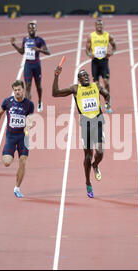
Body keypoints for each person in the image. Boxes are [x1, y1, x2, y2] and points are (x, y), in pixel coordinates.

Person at [52, 67, 112, 198]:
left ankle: (95, 165)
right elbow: (55, 93)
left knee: (100, 152)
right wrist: (56, 76)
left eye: (87, 75)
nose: (85, 77)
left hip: (98, 121)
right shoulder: (75, 89)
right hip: (86, 124)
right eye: (82, 76)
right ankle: (88, 182)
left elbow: (107, 94)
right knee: (88, 156)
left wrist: (107, 103)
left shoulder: (96, 86)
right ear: (79, 80)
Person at [0, 80, 36, 198]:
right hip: (11, 137)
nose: (17, 92)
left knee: (22, 162)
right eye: (15, 90)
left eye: (19, 90)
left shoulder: (29, 104)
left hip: (23, 137)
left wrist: (30, 125)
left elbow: (31, 120)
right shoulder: (8, 102)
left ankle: (17, 188)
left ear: (23, 90)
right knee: (6, 162)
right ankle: (11, 155)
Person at [10, 20, 50, 112]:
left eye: (33, 28)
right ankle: (28, 106)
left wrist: (38, 49)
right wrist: (14, 45)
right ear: (27, 29)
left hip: (36, 66)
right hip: (28, 65)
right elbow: (22, 52)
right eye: (30, 28)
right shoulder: (25, 39)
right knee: (27, 86)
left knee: (38, 86)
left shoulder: (39, 40)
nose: (31, 30)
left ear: (36, 29)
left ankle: (40, 102)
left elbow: (48, 52)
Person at [85, 19, 117, 94]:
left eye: (101, 25)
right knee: (96, 84)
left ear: (103, 26)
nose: (99, 26)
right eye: (98, 25)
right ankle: (97, 101)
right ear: (95, 26)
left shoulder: (108, 35)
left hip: (104, 61)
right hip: (95, 61)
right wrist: (90, 55)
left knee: (106, 82)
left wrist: (111, 53)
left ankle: (108, 100)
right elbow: (87, 49)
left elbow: (114, 46)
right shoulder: (91, 36)